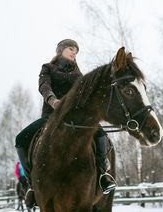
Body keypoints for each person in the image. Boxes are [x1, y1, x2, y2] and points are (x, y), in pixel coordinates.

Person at [15, 39, 116, 207]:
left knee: (100, 133)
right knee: (20, 139)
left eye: (76, 51)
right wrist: (53, 101)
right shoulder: (47, 68)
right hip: (51, 116)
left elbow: (87, 94)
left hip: (76, 119)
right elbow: (44, 87)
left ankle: (103, 175)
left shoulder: (78, 73)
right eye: (71, 49)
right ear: (60, 50)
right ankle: (31, 186)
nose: (74, 53)